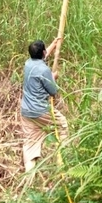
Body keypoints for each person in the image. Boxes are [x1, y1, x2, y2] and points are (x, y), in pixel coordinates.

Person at [20, 38, 69, 172]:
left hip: (26, 111)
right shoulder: (44, 70)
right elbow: (53, 91)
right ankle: (63, 162)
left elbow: (42, 57)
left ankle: (28, 180)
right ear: (42, 52)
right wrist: (53, 77)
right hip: (40, 111)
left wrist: (54, 43)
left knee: (30, 144)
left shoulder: (28, 63)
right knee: (62, 124)